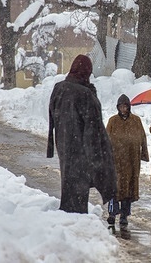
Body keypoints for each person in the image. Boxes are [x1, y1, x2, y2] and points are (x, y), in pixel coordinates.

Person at [47, 54, 117, 214]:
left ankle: (68, 220)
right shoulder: (85, 95)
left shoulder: (59, 88)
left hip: (64, 146)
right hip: (81, 152)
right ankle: (75, 225)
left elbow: (53, 117)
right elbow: (94, 132)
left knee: (68, 187)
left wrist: (54, 143)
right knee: (77, 196)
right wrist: (100, 161)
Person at [105, 94, 149, 229]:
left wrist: (144, 154)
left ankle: (124, 215)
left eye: (125, 106)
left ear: (129, 107)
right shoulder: (113, 121)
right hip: (116, 161)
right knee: (115, 187)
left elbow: (142, 137)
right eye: (121, 106)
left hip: (131, 161)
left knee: (128, 189)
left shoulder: (136, 121)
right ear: (118, 107)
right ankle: (112, 213)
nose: (123, 109)